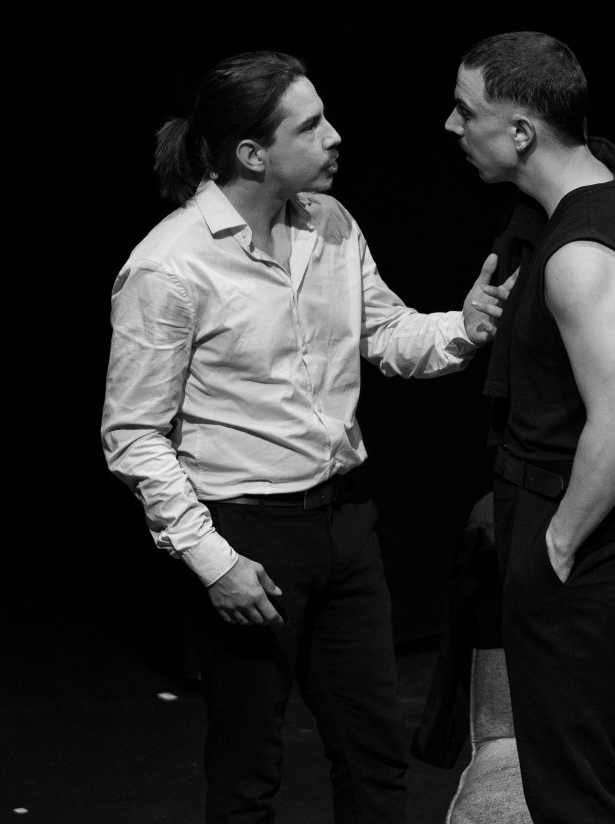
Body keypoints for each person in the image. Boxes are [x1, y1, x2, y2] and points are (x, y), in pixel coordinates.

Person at [102, 50, 514, 824]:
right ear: (253, 154)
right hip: (246, 534)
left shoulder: (330, 223)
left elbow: (385, 335)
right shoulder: (170, 267)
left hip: (343, 523)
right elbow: (133, 436)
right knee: (250, 771)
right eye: (311, 125)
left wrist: (467, 325)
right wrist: (214, 561)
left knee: (374, 756)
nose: (334, 136)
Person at [444, 31, 615, 824]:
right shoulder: (580, 210)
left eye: (465, 110)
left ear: (520, 133)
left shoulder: (581, 255)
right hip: (576, 529)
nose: (451, 125)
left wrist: (558, 545)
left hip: (582, 537)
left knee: (574, 797)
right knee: (612, 780)